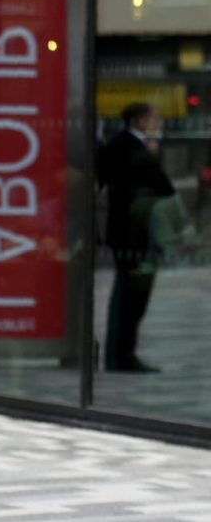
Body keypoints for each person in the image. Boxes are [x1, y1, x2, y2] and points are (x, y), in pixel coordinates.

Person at [98, 102, 174, 373]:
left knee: (129, 296)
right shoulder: (131, 147)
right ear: (141, 121)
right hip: (135, 235)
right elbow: (163, 187)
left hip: (131, 233)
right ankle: (122, 356)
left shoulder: (122, 144)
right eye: (156, 118)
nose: (159, 123)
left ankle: (119, 355)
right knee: (132, 297)